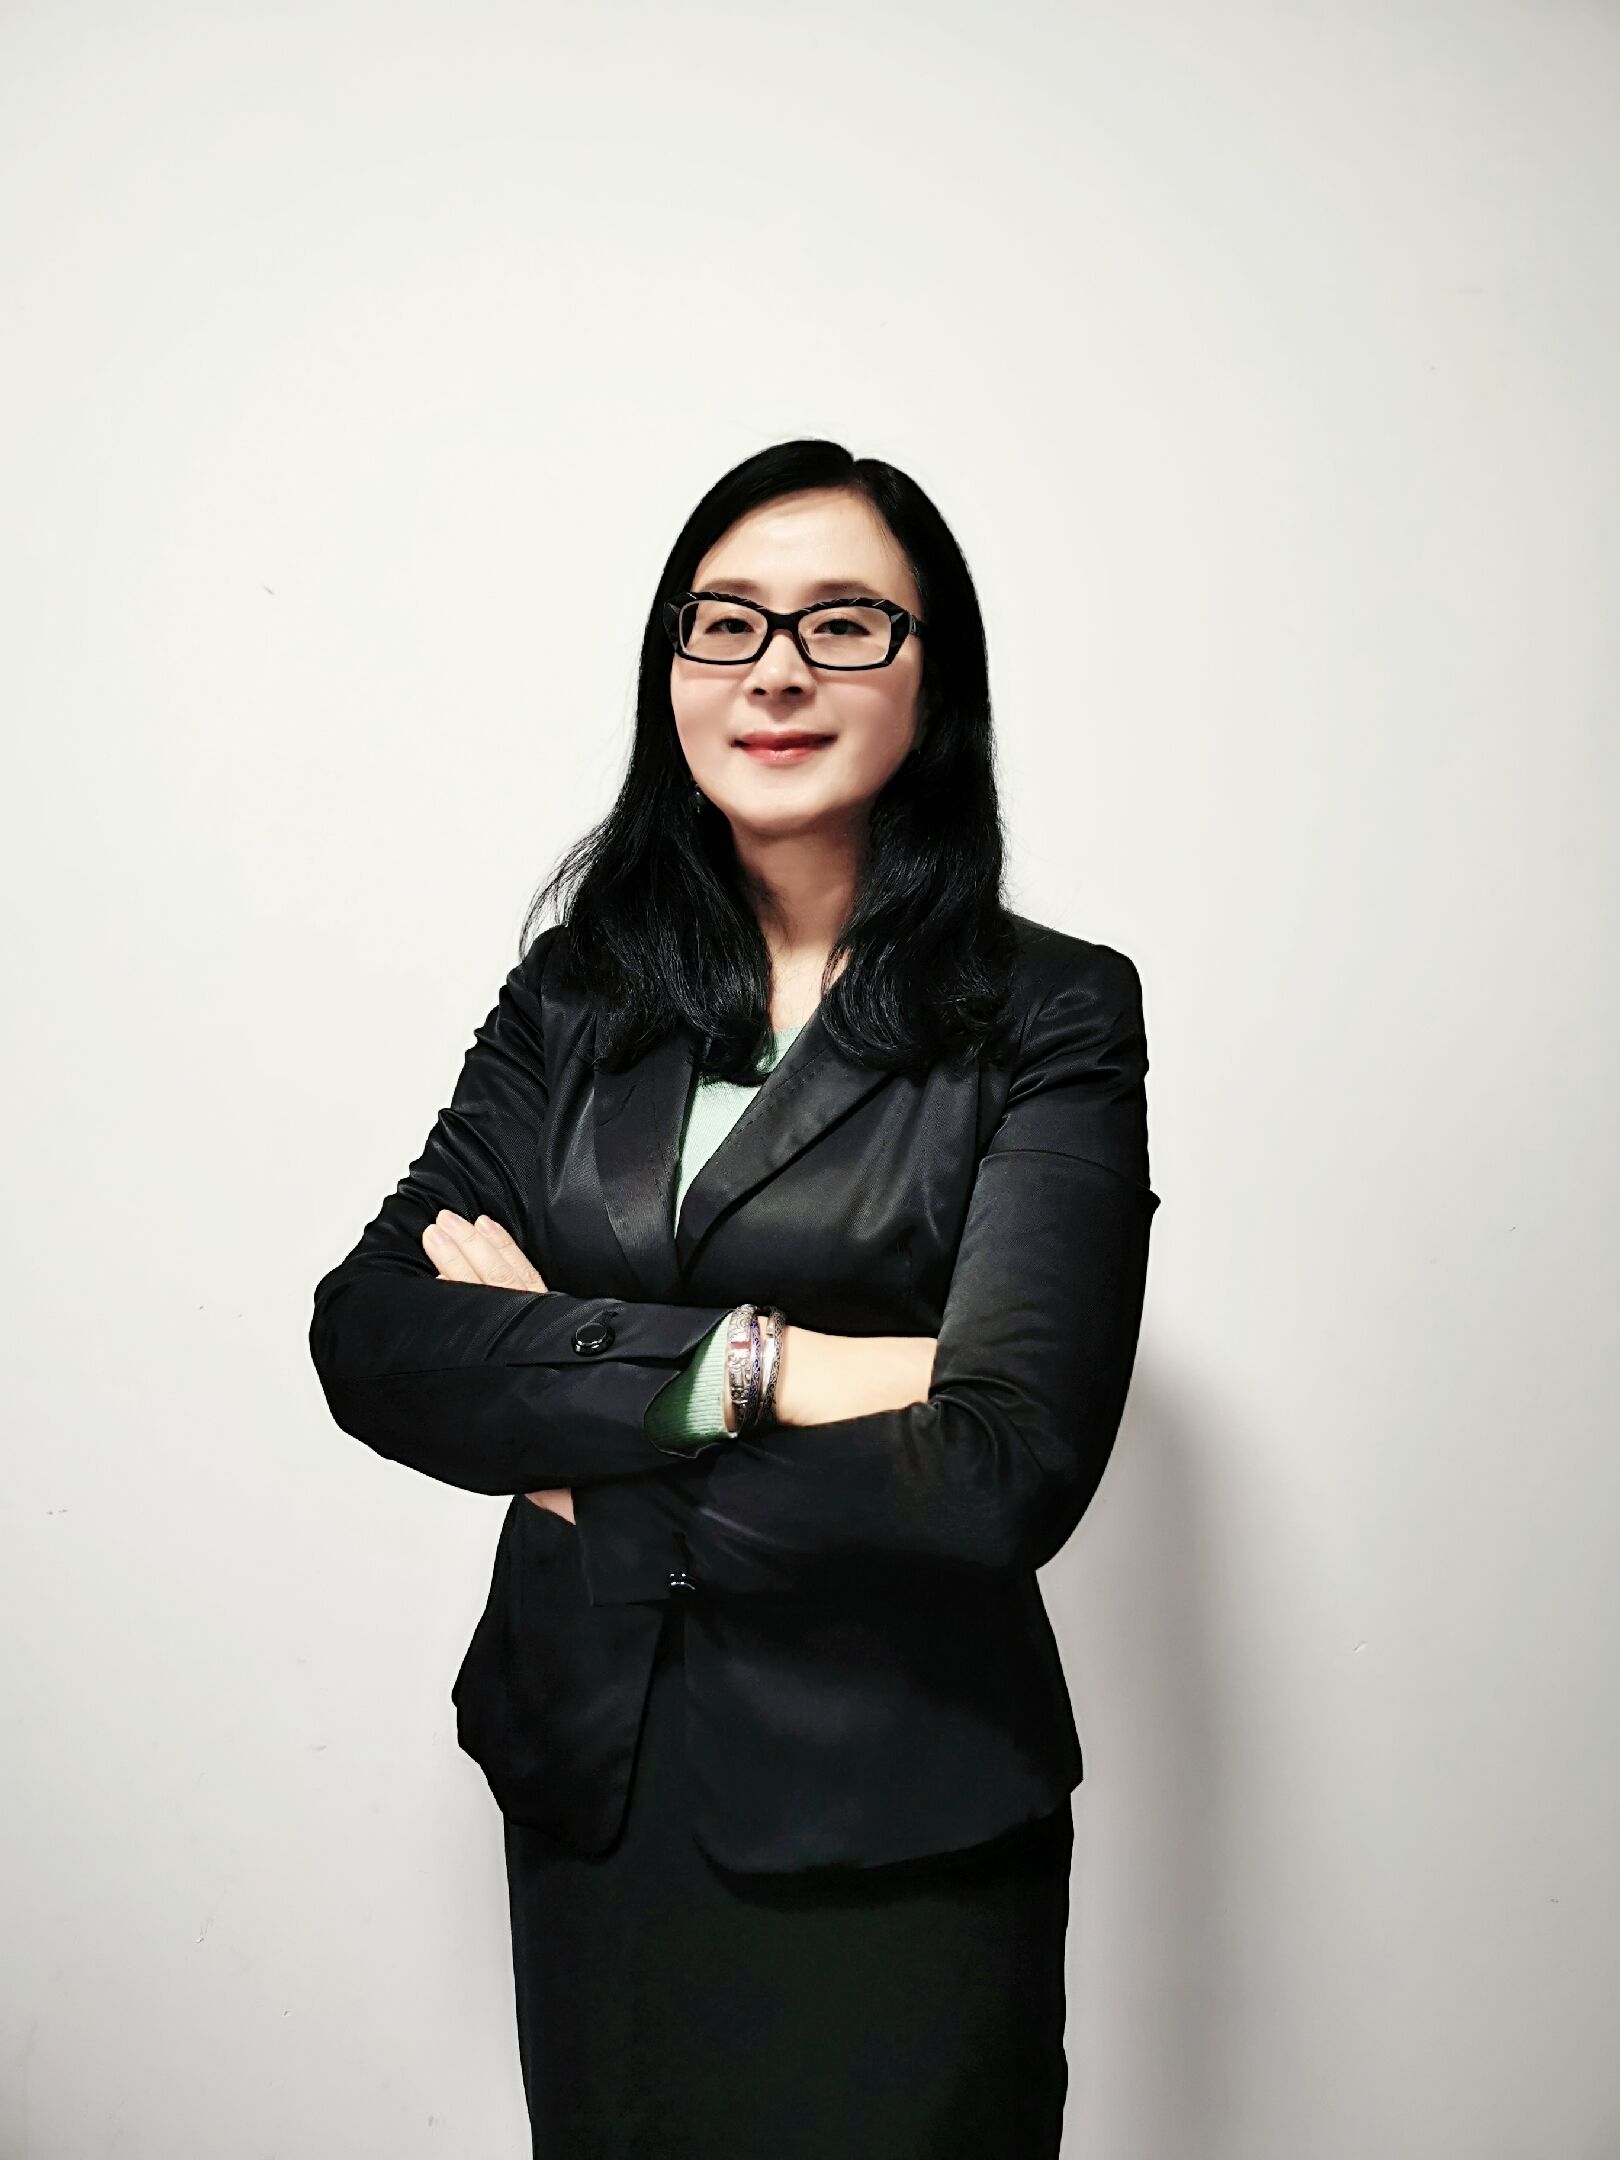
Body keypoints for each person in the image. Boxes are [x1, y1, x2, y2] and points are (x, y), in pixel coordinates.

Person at [309, 436, 1162, 2157]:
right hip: (593, 1792)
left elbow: (1003, 1467)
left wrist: (576, 1449)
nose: (776, 670)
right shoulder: (576, 1000)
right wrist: (769, 1366)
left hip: (898, 1822)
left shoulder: (1051, 1014)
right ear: (673, 669)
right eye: (727, 622)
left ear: (934, 681)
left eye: (845, 623)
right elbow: (374, 1332)